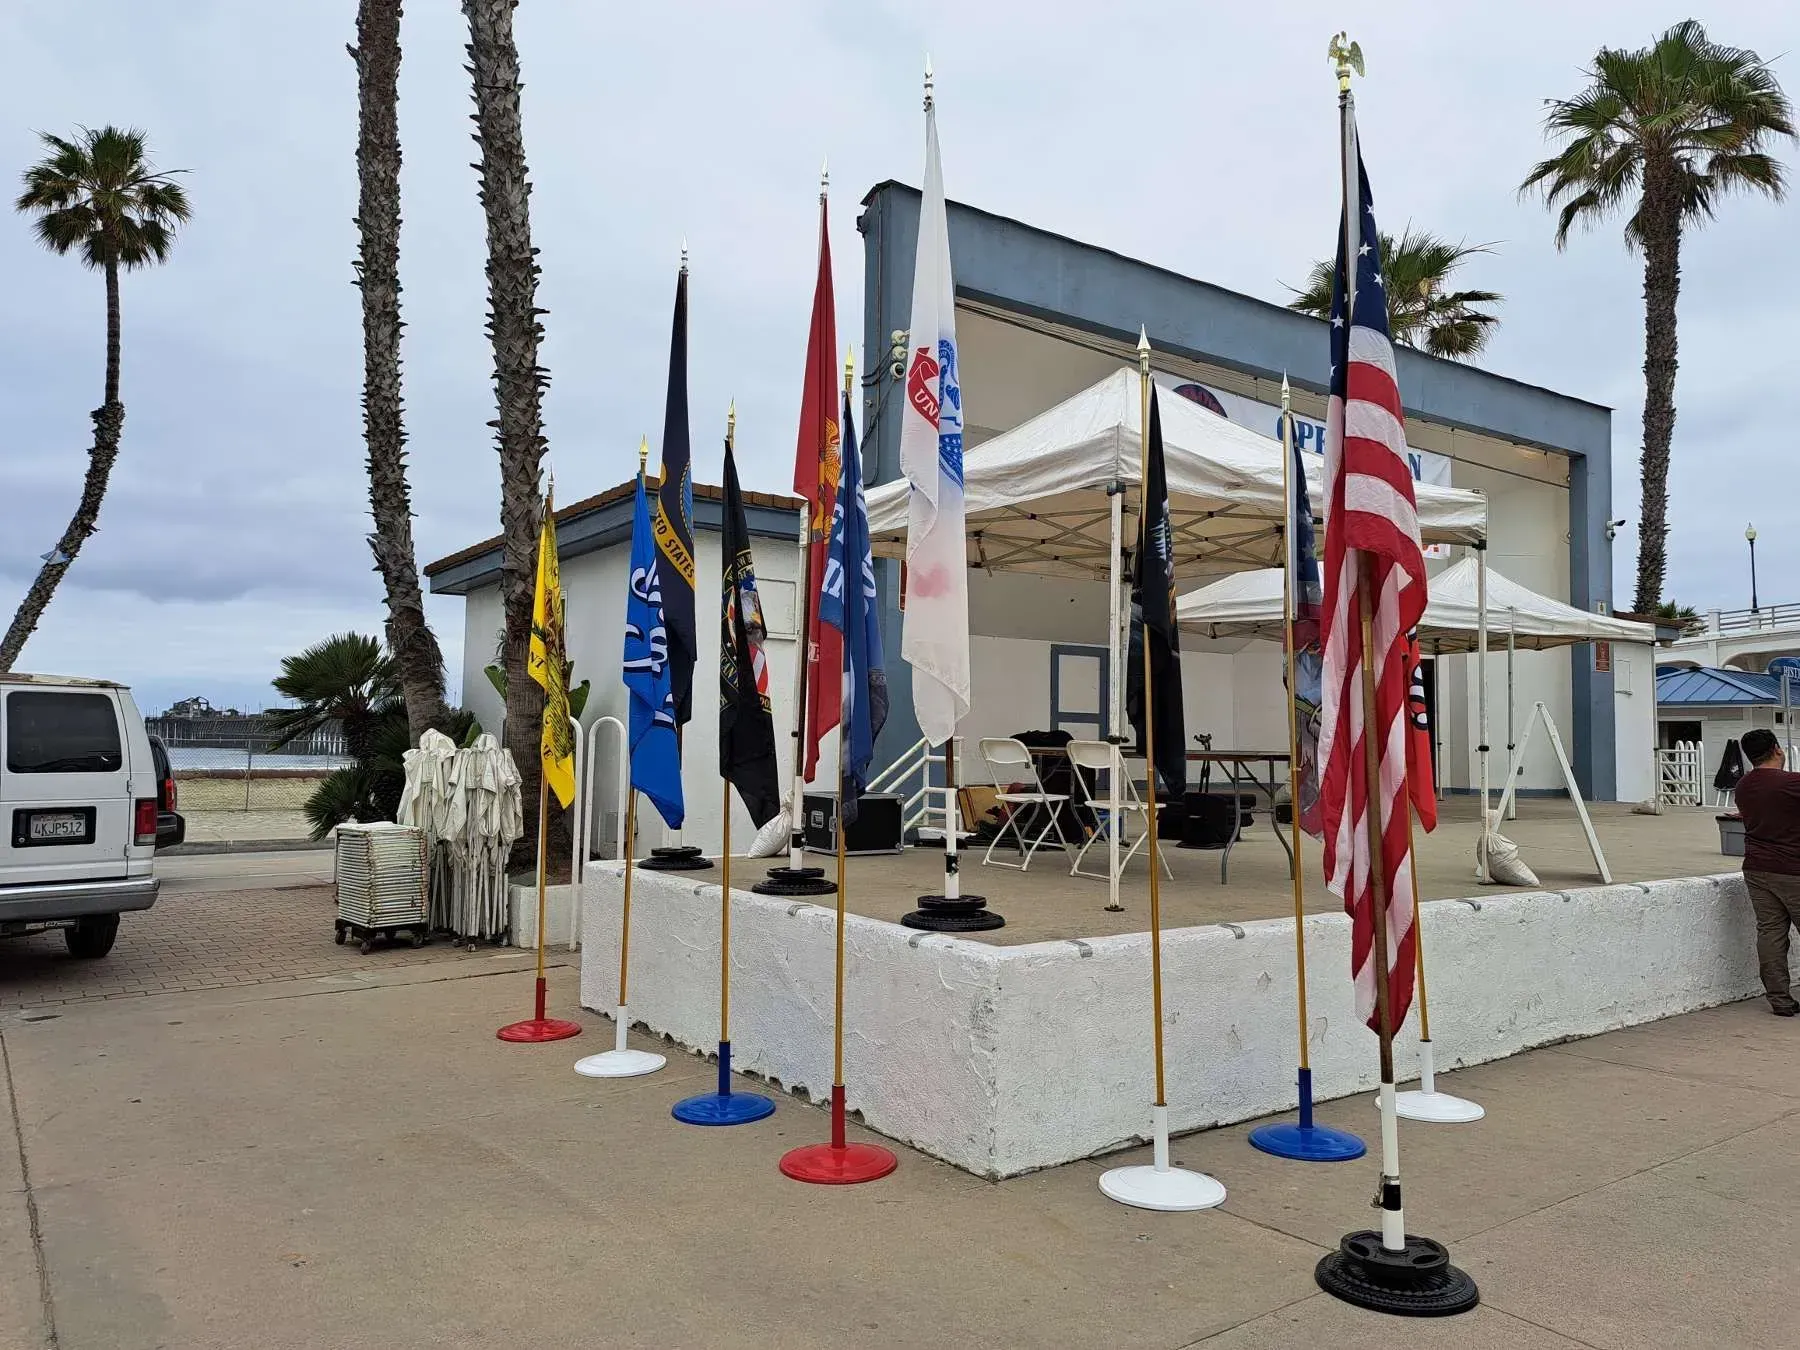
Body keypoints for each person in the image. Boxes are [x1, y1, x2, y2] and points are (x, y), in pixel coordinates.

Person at [1733, 728, 1800, 1016]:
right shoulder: (1791, 783)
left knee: (1771, 932)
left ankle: (1780, 999)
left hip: (1757, 869)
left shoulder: (1744, 786)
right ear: (1777, 749)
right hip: (1793, 869)